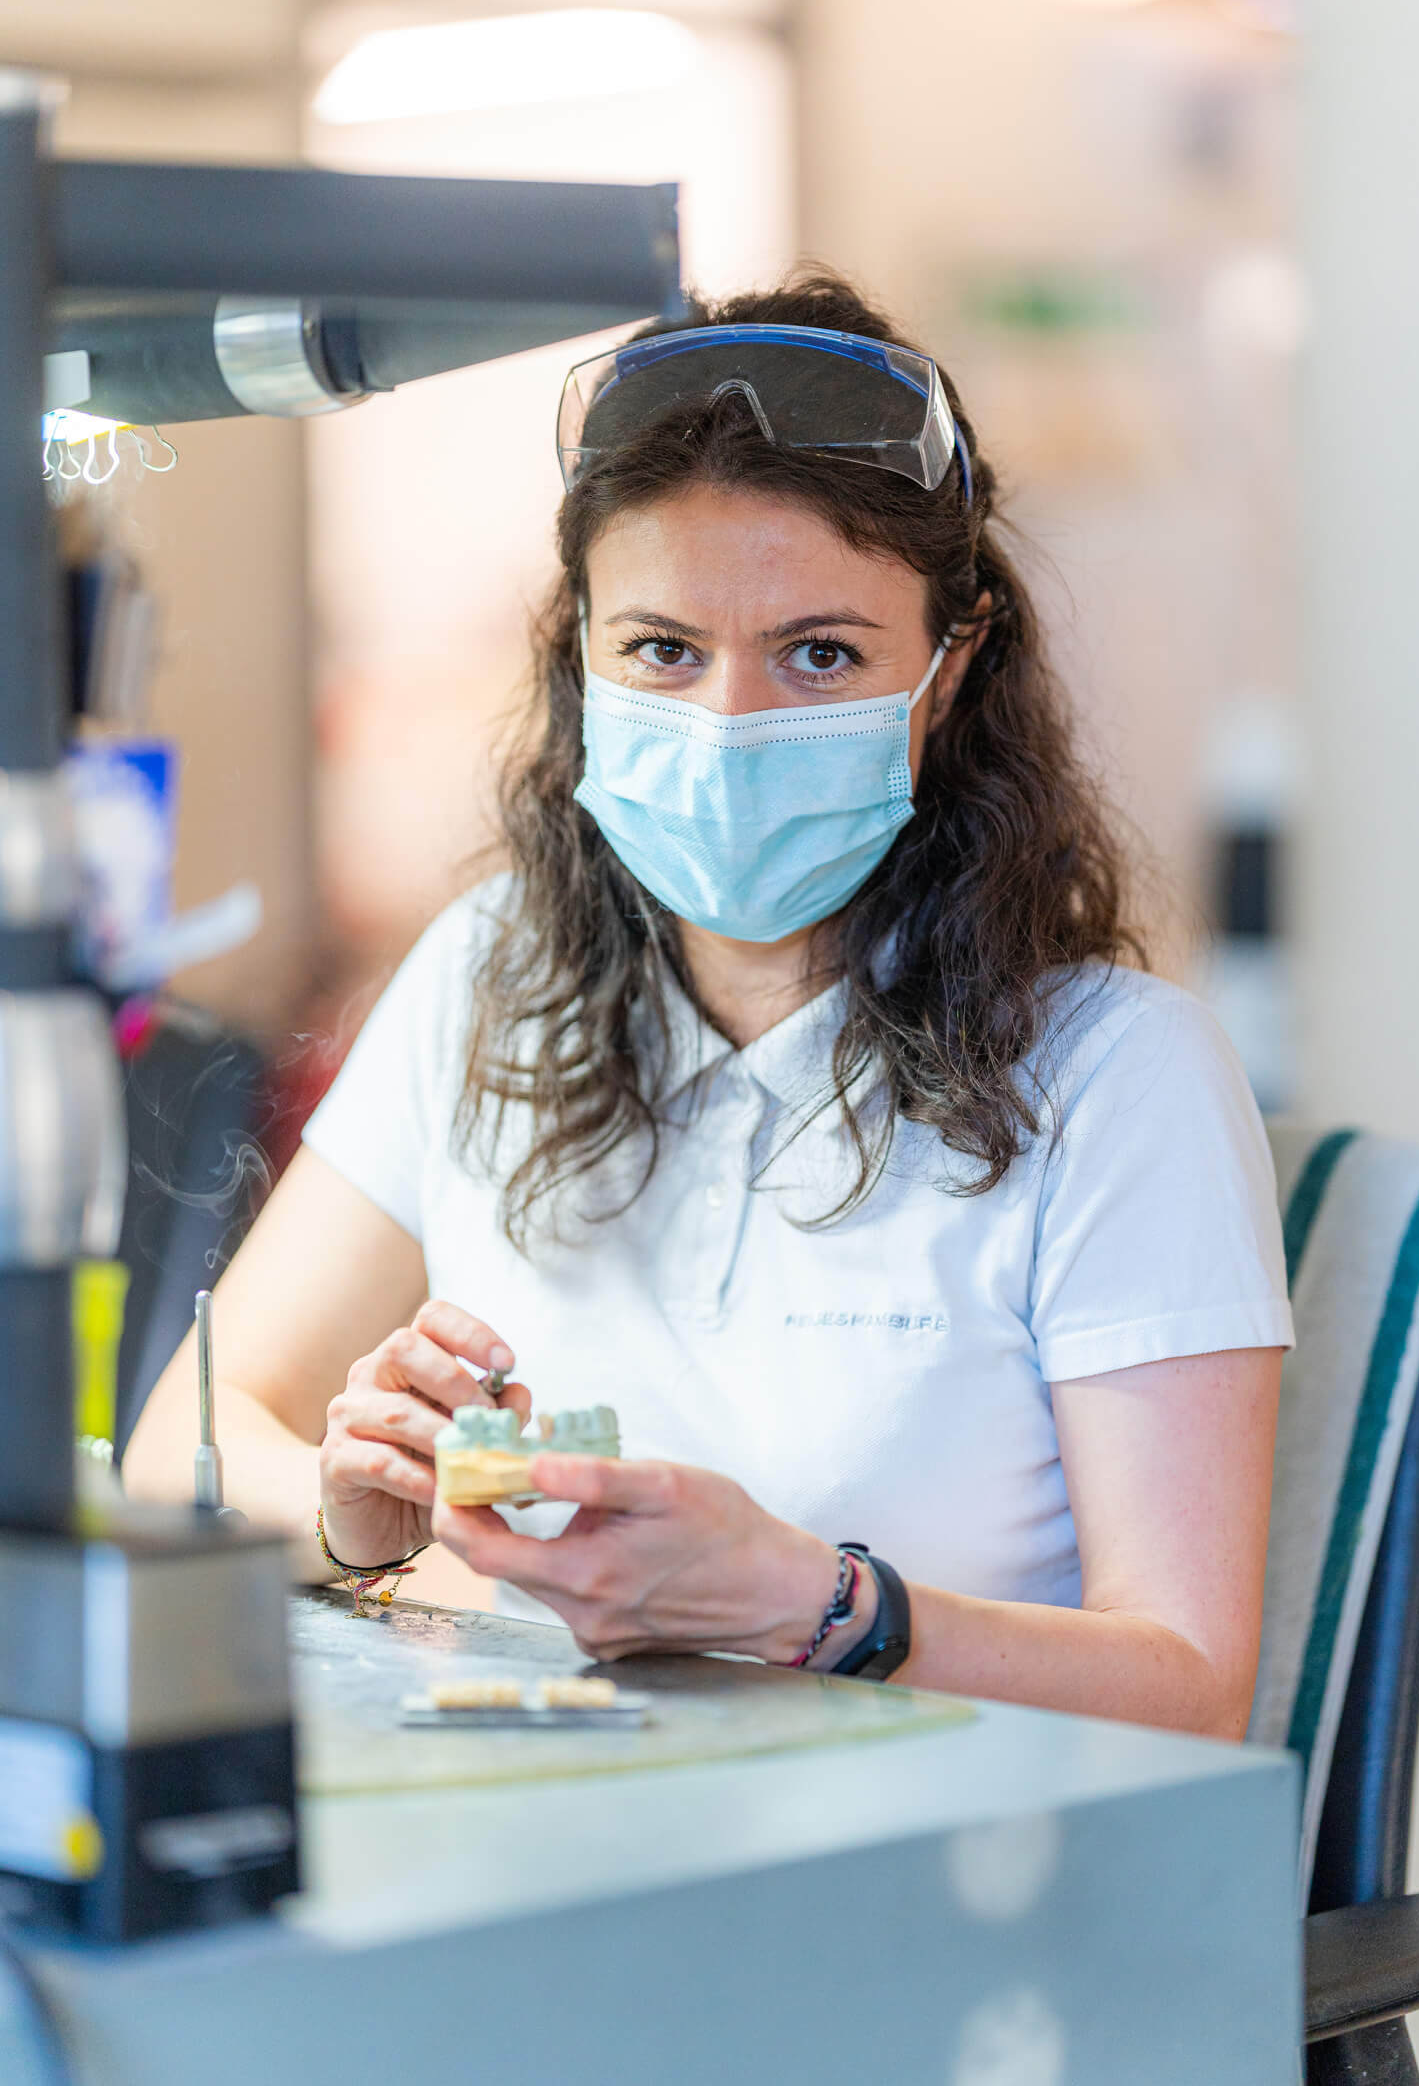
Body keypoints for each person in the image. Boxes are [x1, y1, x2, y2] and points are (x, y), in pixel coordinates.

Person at [125, 271, 1292, 1734]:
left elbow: (1190, 1685)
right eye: (664, 650)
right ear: (580, 657)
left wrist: (815, 1606)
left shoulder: (1120, 1075)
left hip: (951, 1892)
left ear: (950, 669)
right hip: (561, 1823)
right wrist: (370, 1511)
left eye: (821, 653)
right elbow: (187, 1447)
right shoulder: (495, 973)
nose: (730, 723)